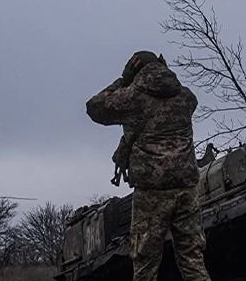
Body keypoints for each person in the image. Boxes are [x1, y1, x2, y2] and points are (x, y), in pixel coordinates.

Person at [86, 51, 212, 281]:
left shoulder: (132, 97)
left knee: (145, 266)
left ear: (134, 70)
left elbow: (94, 107)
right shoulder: (186, 97)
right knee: (193, 260)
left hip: (151, 194)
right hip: (186, 189)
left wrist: (123, 80)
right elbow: (184, 101)